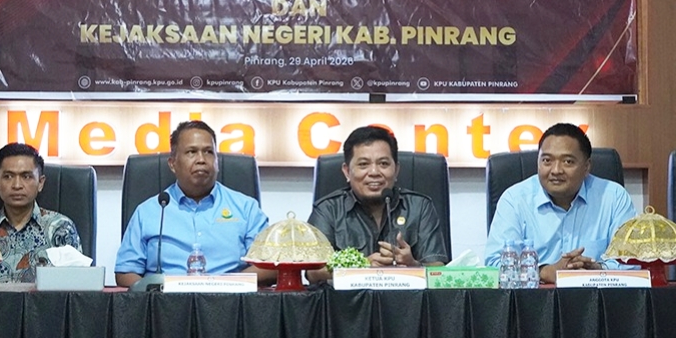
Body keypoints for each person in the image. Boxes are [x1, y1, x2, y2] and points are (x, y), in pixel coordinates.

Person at [115, 121, 273, 287]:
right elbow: (125, 272)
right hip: (164, 300)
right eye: (192, 152)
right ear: (172, 164)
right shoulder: (149, 212)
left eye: (208, 152)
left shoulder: (246, 209)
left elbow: (269, 268)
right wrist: (152, 292)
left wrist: (225, 285)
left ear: (217, 161)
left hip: (231, 299)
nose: (201, 160)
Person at [484, 123, 636, 283]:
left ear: (586, 167)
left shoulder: (614, 198)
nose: (556, 170)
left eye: (568, 162)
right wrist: (543, 272)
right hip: (534, 297)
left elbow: (632, 263)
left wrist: (599, 270)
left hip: (597, 295)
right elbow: (494, 264)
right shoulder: (515, 200)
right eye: (547, 160)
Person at [307, 125, 449, 282]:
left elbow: (438, 269)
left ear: (396, 170)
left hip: (407, 298)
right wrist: (361, 267)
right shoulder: (328, 210)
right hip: (347, 298)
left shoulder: (420, 207)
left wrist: (413, 265)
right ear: (347, 171)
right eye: (363, 164)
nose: (374, 172)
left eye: (383, 164)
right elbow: (313, 273)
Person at [0, 143, 82, 285]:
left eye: (26, 177)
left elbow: (76, 286)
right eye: (8, 176)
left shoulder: (61, 228)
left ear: (40, 183)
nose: (17, 185)